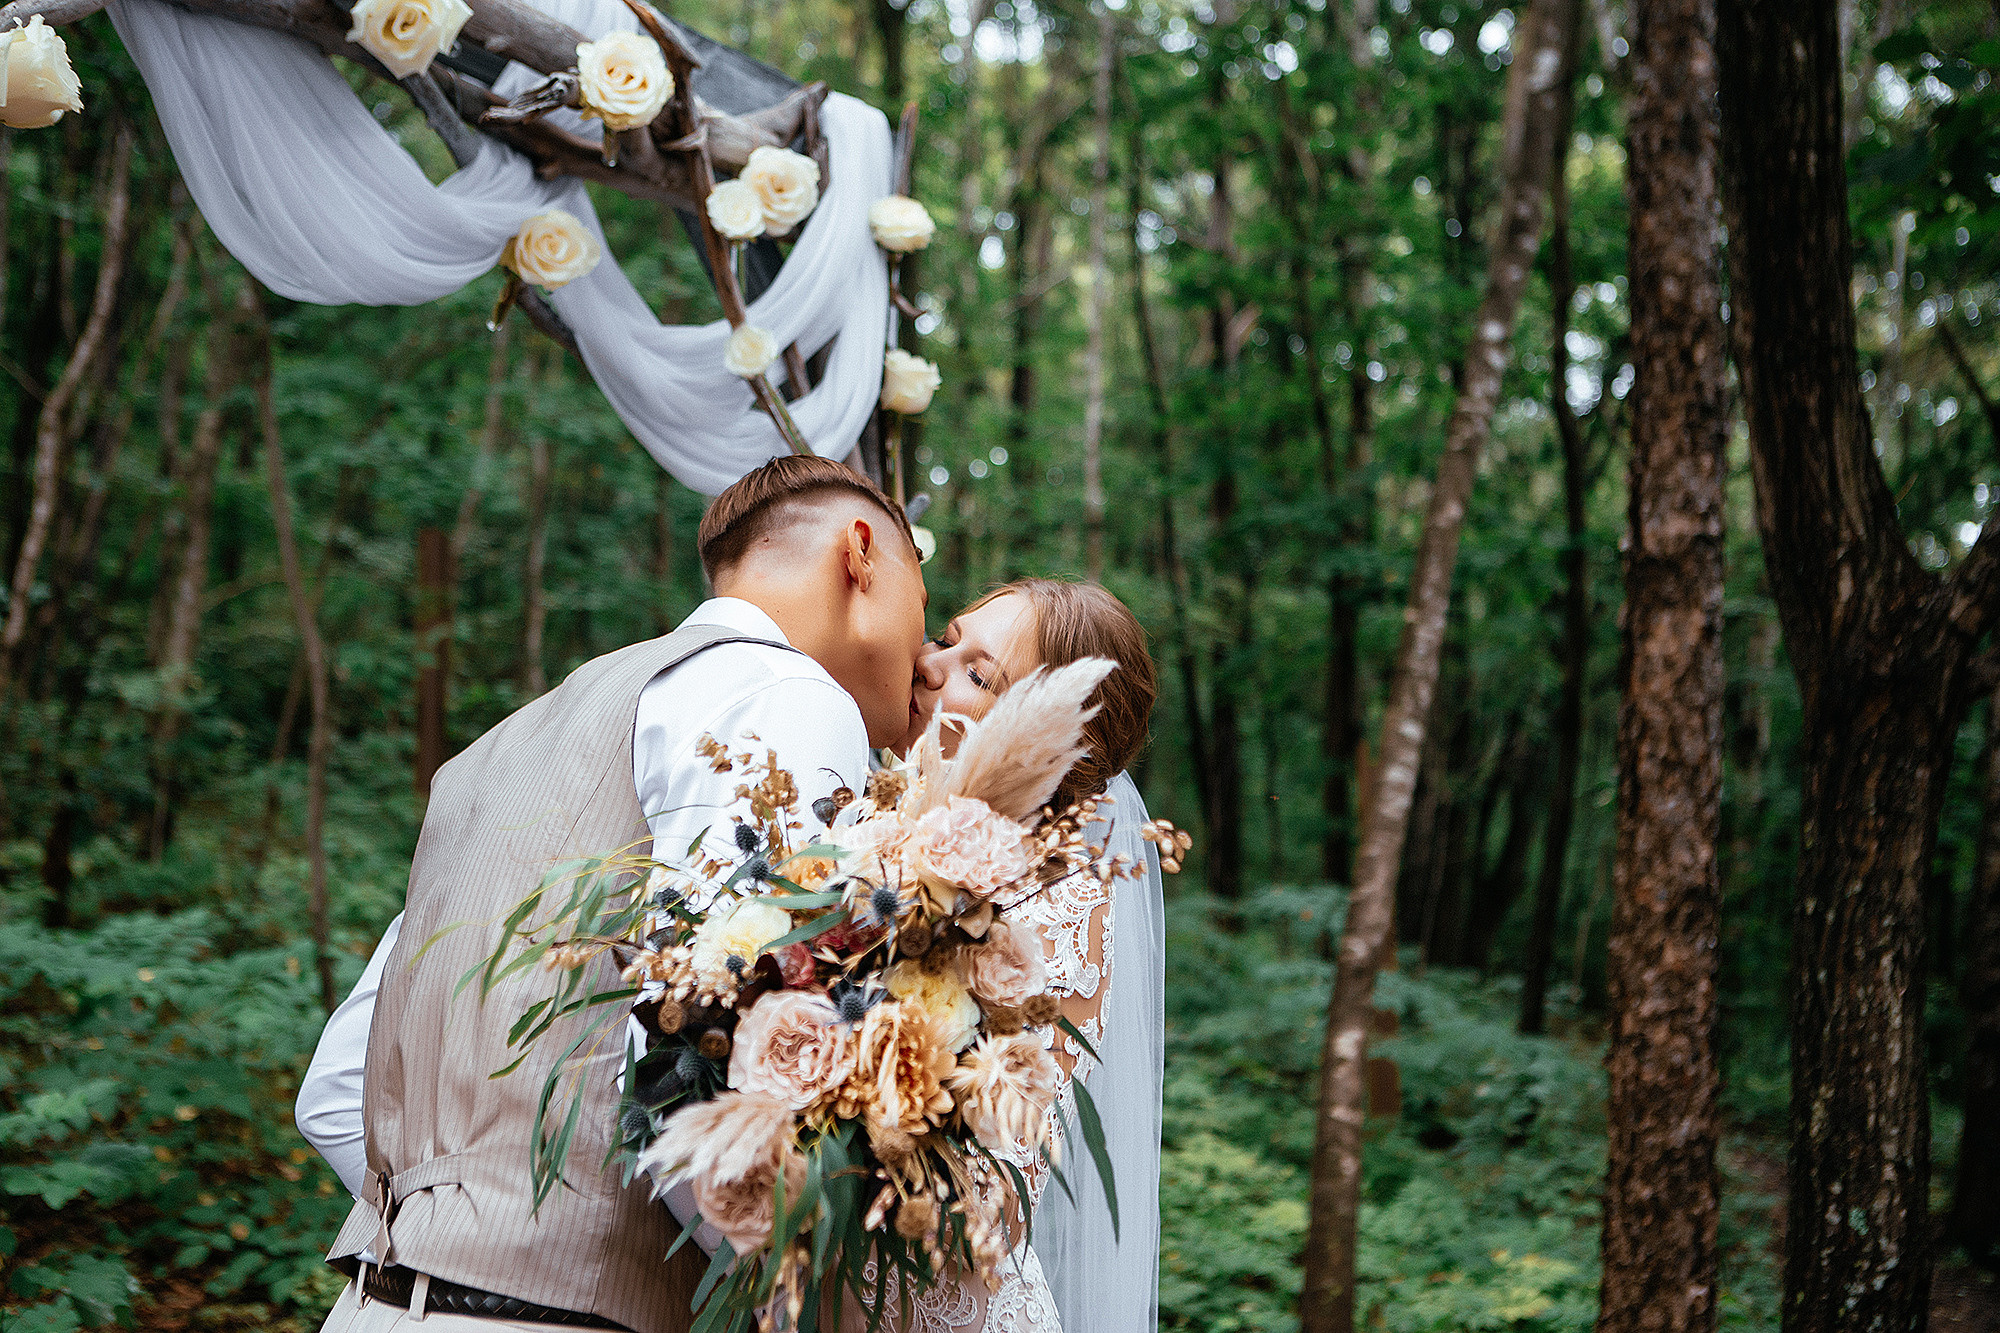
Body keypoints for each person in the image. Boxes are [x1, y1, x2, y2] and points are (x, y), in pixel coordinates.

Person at [296, 454, 928, 1333]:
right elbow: (694, 1059)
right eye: (923, 608)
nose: (924, 657)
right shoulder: (787, 694)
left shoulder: (499, 748)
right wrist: (798, 1303)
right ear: (860, 553)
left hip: (370, 1307)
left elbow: (334, 1088)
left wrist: (466, 1233)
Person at [887, 578, 1164, 1333]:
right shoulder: (873, 820)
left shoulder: (1061, 907)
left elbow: (993, 1210)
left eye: (980, 675)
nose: (930, 665)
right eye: (947, 637)